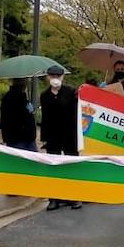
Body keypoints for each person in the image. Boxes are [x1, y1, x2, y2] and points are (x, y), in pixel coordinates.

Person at [38, 65, 83, 211]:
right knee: (53, 167)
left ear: (63, 77)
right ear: (48, 77)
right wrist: (44, 138)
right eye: (52, 76)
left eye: (58, 76)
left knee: (71, 166)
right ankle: (54, 199)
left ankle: (74, 197)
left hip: (69, 135)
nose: (55, 79)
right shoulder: (44, 95)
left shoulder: (71, 92)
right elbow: (45, 117)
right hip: (53, 137)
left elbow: (78, 113)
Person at [0, 79, 37, 151]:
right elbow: (17, 117)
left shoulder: (22, 96)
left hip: (27, 137)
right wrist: (28, 112)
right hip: (18, 138)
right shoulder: (12, 97)